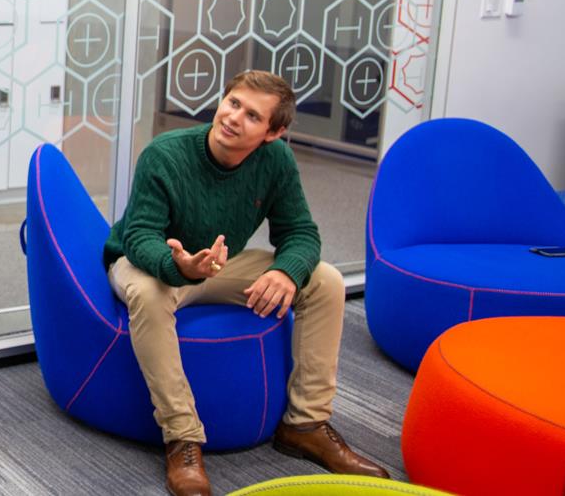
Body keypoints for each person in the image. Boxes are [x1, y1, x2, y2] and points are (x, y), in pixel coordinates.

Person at [104, 70, 387, 496]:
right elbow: (139, 235)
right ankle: (182, 437)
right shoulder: (165, 154)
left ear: (273, 132)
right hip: (153, 262)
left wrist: (284, 271)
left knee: (324, 280)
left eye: (252, 115)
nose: (234, 117)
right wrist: (179, 264)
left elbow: (300, 233)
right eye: (233, 102)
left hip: (219, 264)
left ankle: (305, 424)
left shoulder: (276, 162)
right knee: (147, 293)